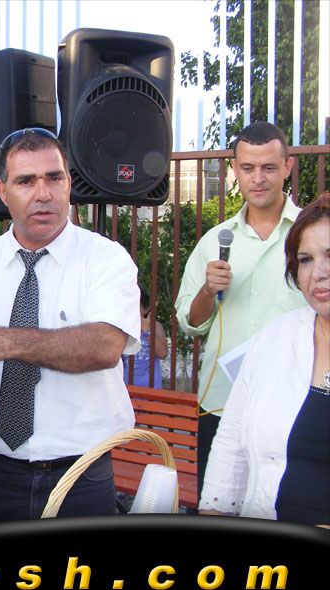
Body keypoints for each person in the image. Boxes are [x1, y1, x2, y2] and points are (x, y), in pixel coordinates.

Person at [0, 128, 141, 524]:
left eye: (53, 178)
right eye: (26, 181)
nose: (43, 193)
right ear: (3, 191)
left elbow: (104, 347)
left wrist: (3, 343)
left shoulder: (106, 260)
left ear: (68, 183)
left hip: (81, 475)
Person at [174, 122, 305, 497]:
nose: (258, 178)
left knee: (289, 508)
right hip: (223, 402)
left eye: (268, 167)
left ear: (288, 167)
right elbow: (189, 323)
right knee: (218, 505)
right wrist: (207, 291)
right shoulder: (215, 241)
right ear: (234, 169)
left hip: (295, 403)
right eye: (248, 168)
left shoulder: (312, 235)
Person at [199, 193, 329, 524]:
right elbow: (231, 442)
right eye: (305, 259)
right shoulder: (274, 339)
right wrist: (213, 513)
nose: (319, 272)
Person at [123, 286, 168, 388]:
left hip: (151, 390)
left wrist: (146, 330)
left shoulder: (154, 326)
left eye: (136, 307)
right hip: (127, 389)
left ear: (145, 309)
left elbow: (163, 353)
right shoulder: (123, 328)